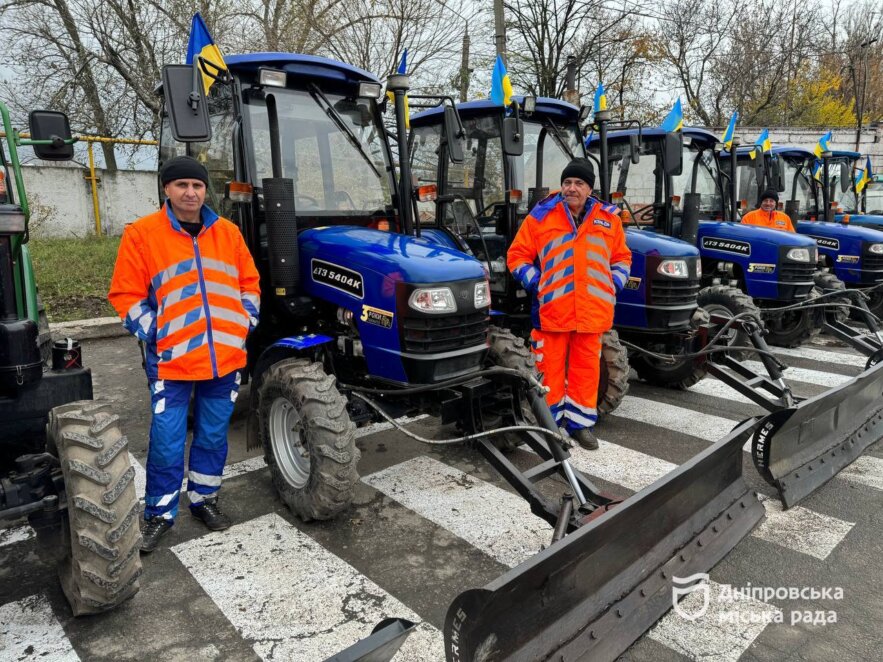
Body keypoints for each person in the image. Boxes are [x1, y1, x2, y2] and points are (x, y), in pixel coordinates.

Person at [109, 156, 260, 553]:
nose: (190, 193)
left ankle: (204, 500)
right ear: (166, 189)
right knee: (167, 441)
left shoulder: (227, 233)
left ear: (205, 190)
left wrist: (245, 322)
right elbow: (125, 295)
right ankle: (159, 514)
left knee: (212, 437)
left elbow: (249, 282)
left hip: (225, 360)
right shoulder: (142, 234)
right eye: (181, 186)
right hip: (172, 362)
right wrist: (157, 333)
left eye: (197, 185)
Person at [507, 158, 631, 450]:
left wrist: (613, 284)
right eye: (567, 182)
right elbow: (516, 256)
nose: (571, 188)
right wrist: (537, 283)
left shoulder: (609, 219)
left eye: (578, 183)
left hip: (592, 313)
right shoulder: (541, 216)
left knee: (586, 373)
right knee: (547, 373)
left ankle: (580, 425)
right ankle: (549, 428)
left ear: (589, 188)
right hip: (553, 311)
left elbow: (622, 258)